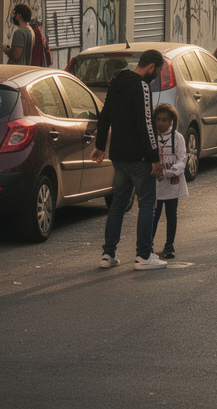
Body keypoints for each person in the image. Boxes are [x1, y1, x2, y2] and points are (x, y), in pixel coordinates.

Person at [92, 49, 168, 270]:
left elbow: (105, 116)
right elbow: (146, 124)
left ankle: (108, 254)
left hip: (119, 156)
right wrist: (154, 158)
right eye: (158, 71)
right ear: (151, 67)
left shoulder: (117, 82)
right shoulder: (142, 87)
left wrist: (99, 147)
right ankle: (144, 256)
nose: (156, 76)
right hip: (139, 157)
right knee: (147, 204)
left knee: (118, 205)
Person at [151, 103, 187, 260]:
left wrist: (166, 173)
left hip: (172, 184)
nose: (161, 123)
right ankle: (148, 244)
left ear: (172, 120)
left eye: (164, 120)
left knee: (171, 214)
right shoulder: (152, 138)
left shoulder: (178, 138)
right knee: (154, 214)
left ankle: (169, 244)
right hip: (155, 184)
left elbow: (182, 160)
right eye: (158, 119)